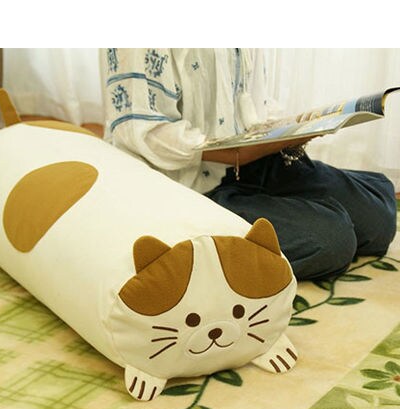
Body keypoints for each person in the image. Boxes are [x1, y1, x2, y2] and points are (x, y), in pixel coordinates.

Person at [100, 48, 397, 280]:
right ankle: (189, 253)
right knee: (331, 240)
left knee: (379, 214)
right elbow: (140, 130)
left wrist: (293, 128)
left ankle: (274, 213)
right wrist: (234, 153)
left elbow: (253, 103)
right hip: (193, 183)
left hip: (255, 160)